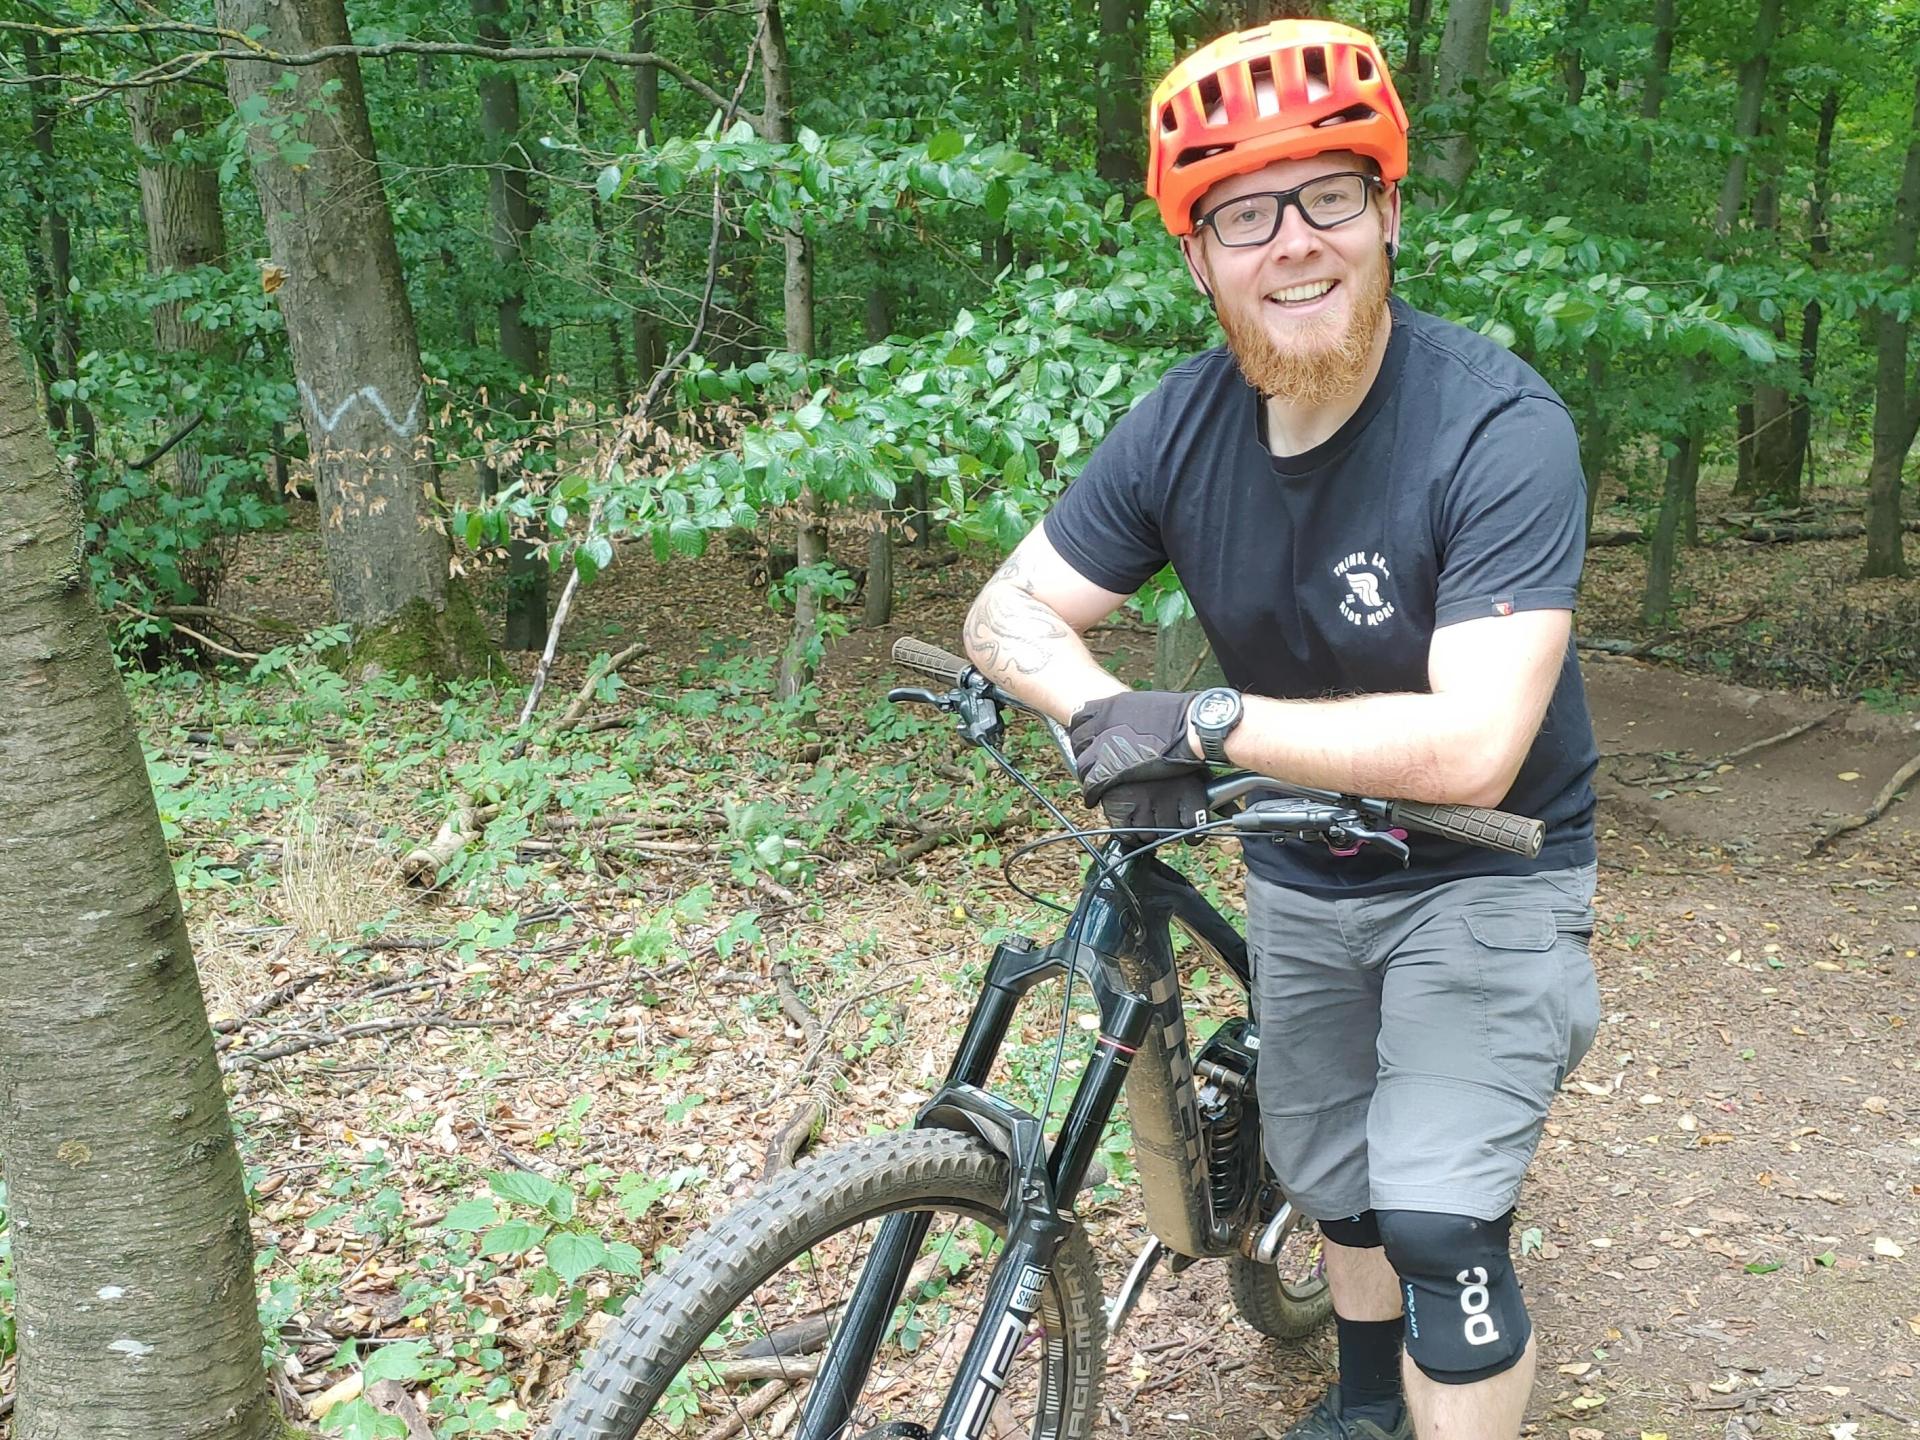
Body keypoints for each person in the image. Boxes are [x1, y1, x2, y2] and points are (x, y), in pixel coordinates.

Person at [961, 19, 1602, 1440]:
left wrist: (1196, 716)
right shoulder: (1179, 429)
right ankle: (1366, 1394)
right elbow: (1005, 610)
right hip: (1308, 871)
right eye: (1243, 214)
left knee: (1439, 1226)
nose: (1292, 243)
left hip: (1485, 868)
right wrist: (1091, 707)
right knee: (1336, 1180)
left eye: (1328, 196)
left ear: (1387, 217)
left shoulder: (1494, 424)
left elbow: (1474, 747)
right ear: (1198, 258)